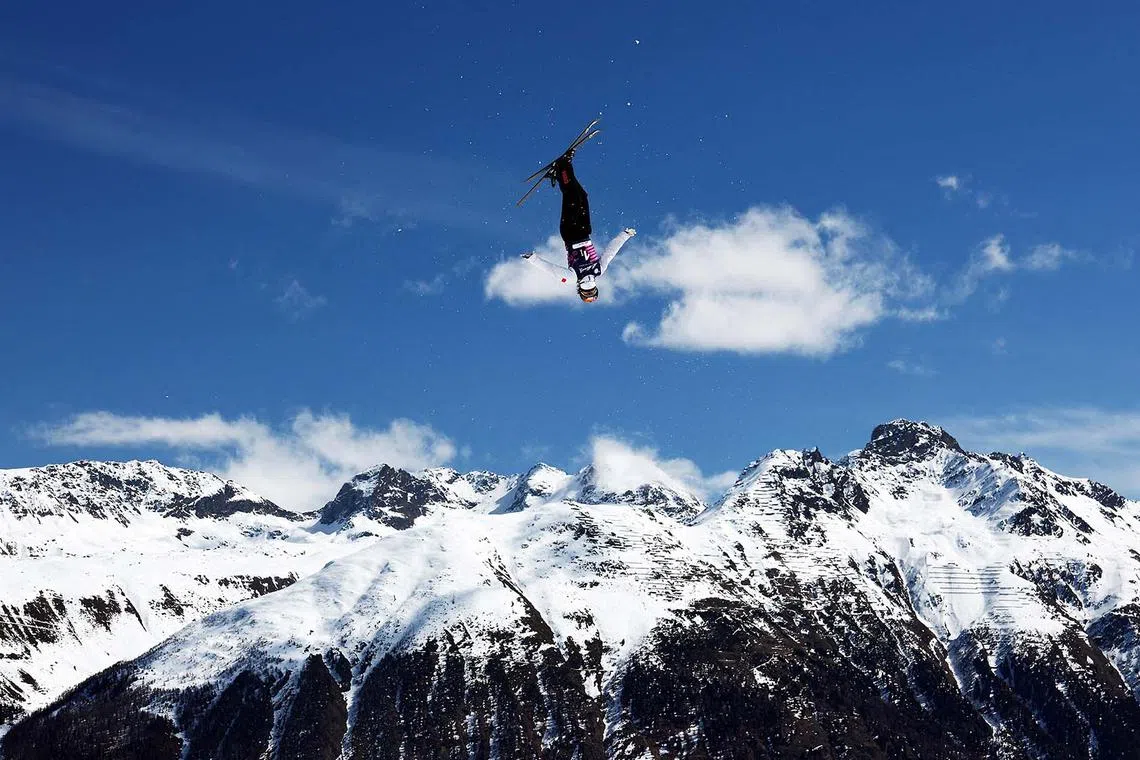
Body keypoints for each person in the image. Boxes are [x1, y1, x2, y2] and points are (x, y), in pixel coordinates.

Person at [522, 154, 635, 302]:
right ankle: (560, 170)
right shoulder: (583, 275)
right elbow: (552, 270)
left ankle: (563, 166)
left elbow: (610, 252)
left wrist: (624, 235)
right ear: (581, 290)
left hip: (579, 233)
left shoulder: (592, 272)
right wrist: (533, 259)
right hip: (575, 233)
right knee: (578, 196)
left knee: (576, 196)